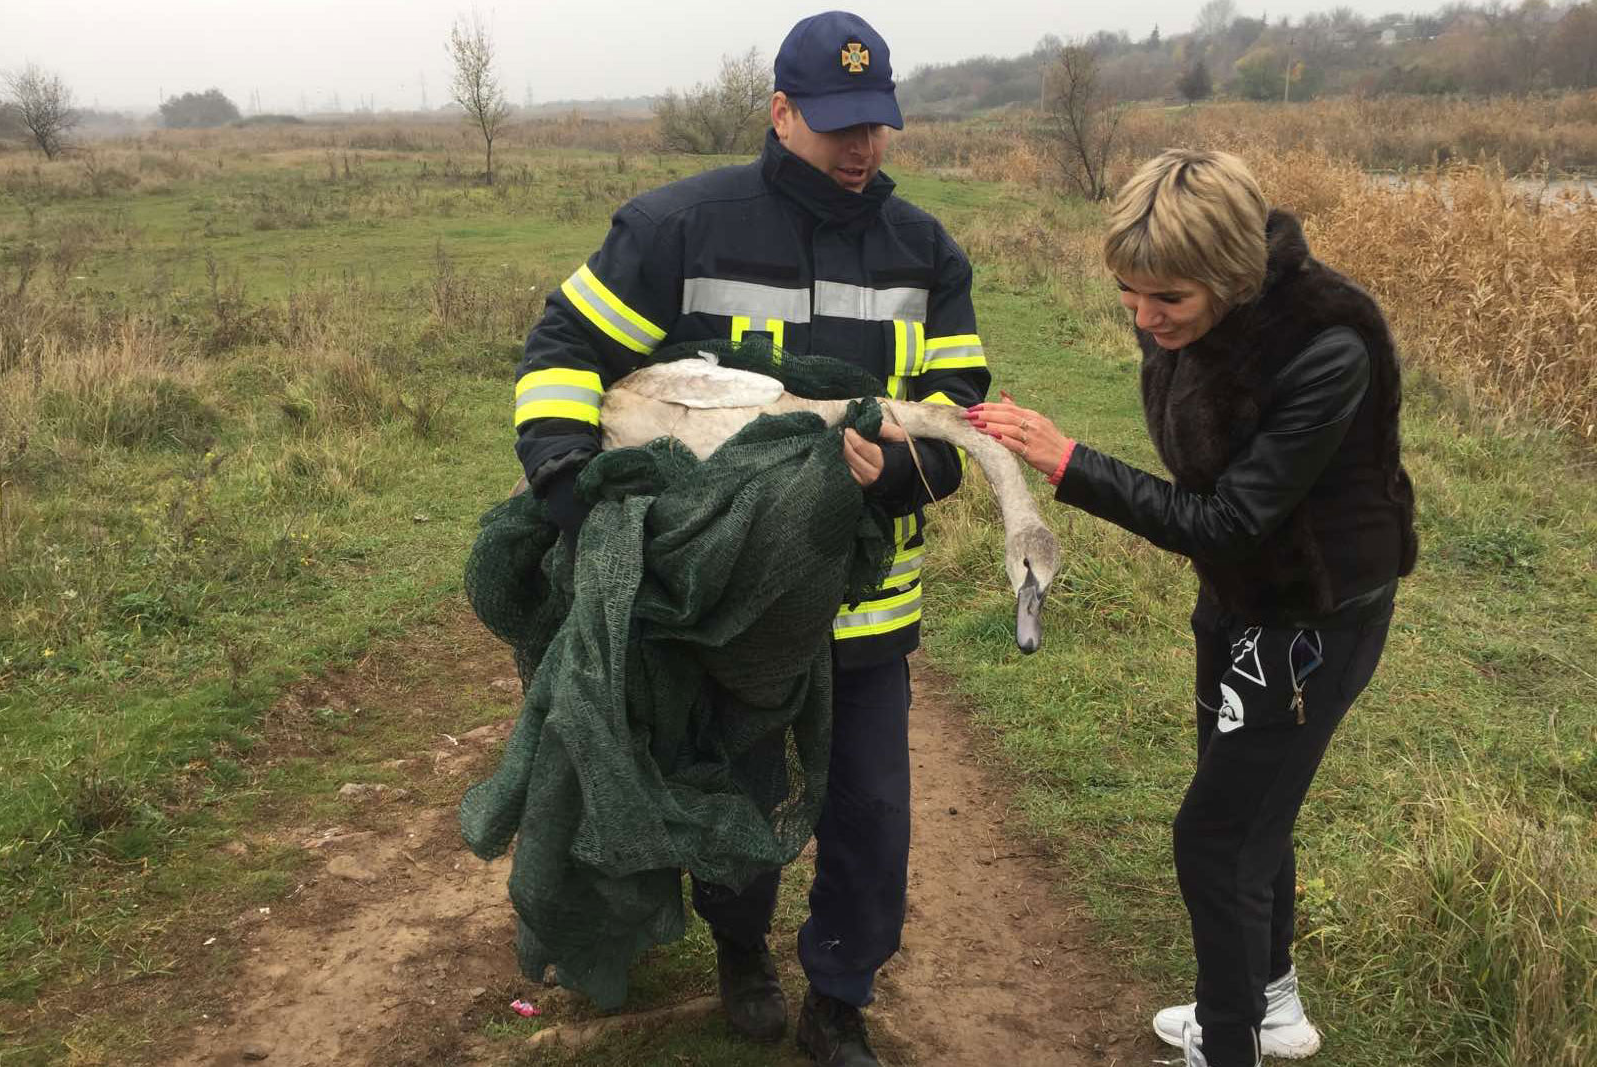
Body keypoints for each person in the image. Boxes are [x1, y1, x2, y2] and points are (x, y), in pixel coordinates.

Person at [510, 12, 990, 1065]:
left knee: (868, 811)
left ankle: (841, 991)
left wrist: (912, 467)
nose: (861, 148)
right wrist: (560, 475)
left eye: (876, 125)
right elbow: (563, 348)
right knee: (738, 790)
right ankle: (741, 950)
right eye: (835, 127)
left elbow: (960, 410)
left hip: (870, 608)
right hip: (729, 607)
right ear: (780, 113)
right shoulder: (679, 226)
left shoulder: (926, 252)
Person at [967, 149, 1417, 1067]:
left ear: (1228, 276)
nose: (1142, 318)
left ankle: (1228, 1042)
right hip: (1243, 597)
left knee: (1214, 834)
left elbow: (1229, 518)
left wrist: (1068, 461)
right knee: (1252, 810)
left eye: (1163, 299)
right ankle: (1272, 1004)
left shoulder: (1328, 344)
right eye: (1129, 295)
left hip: (1313, 616)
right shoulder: (1189, 311)